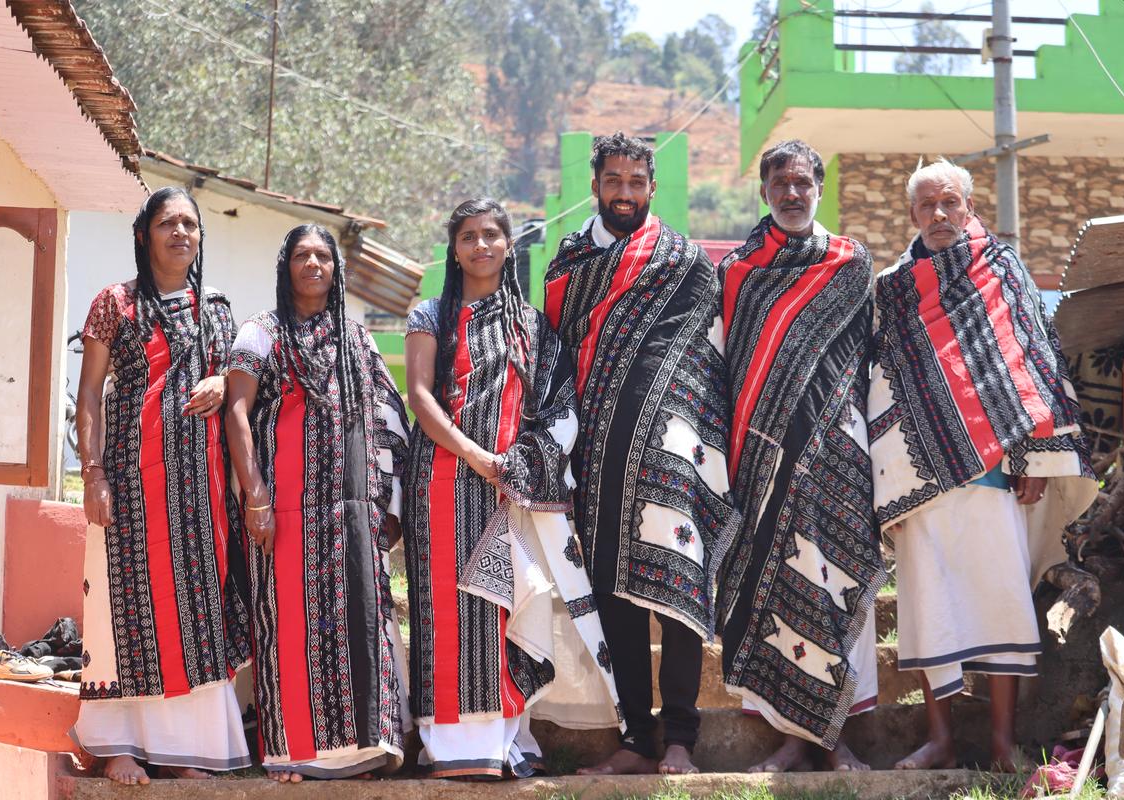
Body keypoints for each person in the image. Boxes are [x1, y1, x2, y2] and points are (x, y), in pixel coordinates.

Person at [869, 158, 1097, 771]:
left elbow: (1030, 360)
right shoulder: (892, 286)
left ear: (969, 208)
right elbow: (885, 374)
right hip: (920, 477)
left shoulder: (1002, 269)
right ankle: (940, 740)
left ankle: (1001, 745)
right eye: (927, 206)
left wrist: (1035, 459)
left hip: (998, 473)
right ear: (911, 214)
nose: (940, 215)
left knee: (1002, 602)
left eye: (950, 203)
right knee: (927, 606)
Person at [403, 198, 621, 780]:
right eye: (469, 236)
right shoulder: (430, 315)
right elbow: (420, 396)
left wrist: (519, 464)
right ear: (454, 248)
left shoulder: (531, 325)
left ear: (508, 245)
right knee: (443, 607)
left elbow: (555, 405)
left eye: (491, 235)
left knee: (501, 608)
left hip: (509, 488)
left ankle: (502, 739)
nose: (481, 246)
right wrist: (477, 457)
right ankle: (445, 744)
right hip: (443, 481)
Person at [545, 132, 739, 776]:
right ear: (595, 186)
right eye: (613, 181)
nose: (624, 192)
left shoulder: (683, 259)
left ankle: (681, 735)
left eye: (636, 182)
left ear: (651, 187)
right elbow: (554, 355)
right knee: (613, 597)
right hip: (594, 454)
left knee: (678, 586)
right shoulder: (569, 263)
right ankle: (635, 738)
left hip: (672, 453)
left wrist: (686, 431)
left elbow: (706, 352)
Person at [715, 140, 885, 773]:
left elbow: (869, 356)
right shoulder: (737, 270)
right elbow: (724, 364)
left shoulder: (850, 263)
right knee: (776, 586)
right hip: (760, 461)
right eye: (780, 184)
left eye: (803, 183)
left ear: (819, 189)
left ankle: (834, 733)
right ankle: (793, 737)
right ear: (764, 192)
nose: (792, 194)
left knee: (832, 577)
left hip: (839, 451)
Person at [73, 187, 252, 784]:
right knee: (120, 612)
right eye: (166, 223)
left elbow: (243, 392)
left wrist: (222, 386)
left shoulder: (218, 311)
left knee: (193, 614)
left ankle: (185, 751)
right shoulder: (114, 304)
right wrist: (92, 473)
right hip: (126, 484)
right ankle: (115, 744)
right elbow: (91, 393)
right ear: (145, 233)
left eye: (189, 225)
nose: (180, 233)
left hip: (199, 497)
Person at [223, 224, 411, 781]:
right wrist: (255, 492)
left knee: (360, 621)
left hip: (353, 512)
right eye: (302, 255)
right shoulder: (262, 331)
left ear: (336, 268)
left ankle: (368, 748)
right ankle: (290, 752)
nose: (313, 264)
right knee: (286, 624)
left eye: (322, 256)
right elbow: (237, 411)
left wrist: (390, 503)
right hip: (282, 511)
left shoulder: (358, 337)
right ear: (286, 265)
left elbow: (388, 419)